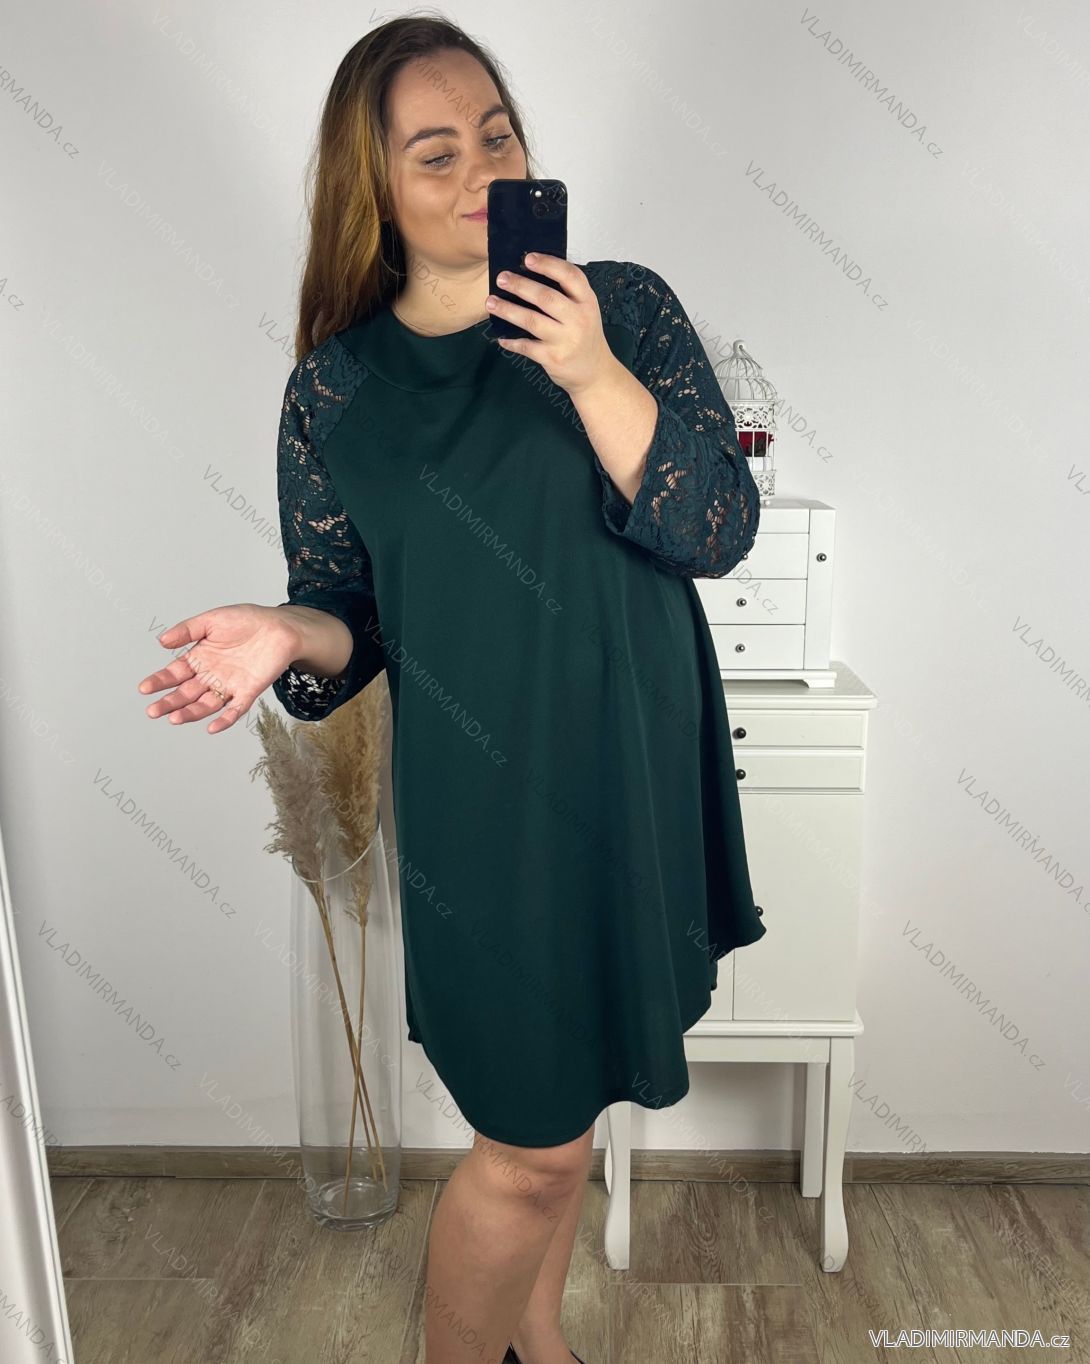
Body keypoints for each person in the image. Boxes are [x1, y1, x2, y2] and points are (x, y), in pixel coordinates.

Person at [137, 14, 766, 1364]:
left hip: (633, 767)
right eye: (437, 153)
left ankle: (536, 1341)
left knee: (564, 1116)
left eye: (498, 135)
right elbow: (352, 616)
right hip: (486, 808)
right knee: (529, 1152)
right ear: (373, 190)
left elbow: (714, 526)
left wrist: (587, 368)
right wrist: (283, 631)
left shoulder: (623, 306)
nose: (483, 169)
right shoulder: (334, 392)